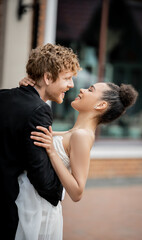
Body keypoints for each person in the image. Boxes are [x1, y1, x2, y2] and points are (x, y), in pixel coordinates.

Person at [18, 78, 138, 239]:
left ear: (100, 105)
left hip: (40, 211)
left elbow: (77, 192)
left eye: (90, 90)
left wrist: (53, 152)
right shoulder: (73, 133)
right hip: (30, 203)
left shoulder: (82, 136)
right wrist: (29, 92)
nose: (82, 90)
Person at [0, 43, 81, 240]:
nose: (71, 85)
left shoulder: (3, 95)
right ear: (47, 77)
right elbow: (39, 172)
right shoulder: (40, 110)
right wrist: (58, 195)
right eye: (67, 78)